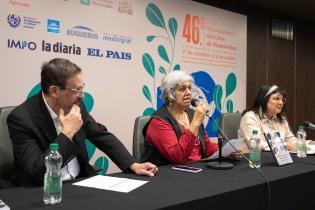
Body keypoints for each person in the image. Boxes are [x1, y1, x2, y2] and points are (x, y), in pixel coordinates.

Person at [7, 58, 158, 186]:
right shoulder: (22, 119)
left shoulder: (75, 105)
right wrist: (67, 133)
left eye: (82, 88)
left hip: (81, 182)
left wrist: (133, 164)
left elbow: (100, 134)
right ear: (54, 91)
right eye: (76, 90)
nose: (82, 96)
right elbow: (37, 172)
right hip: (45, 191)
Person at [141, 71, 241, 166]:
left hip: (197, 168)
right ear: (169, 93)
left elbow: (206, 146)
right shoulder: (158, 121)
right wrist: (195, 122)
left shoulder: (192, 114)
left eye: (189, 88)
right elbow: (177, 157)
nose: (188, 92)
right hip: (171, 175)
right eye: (182, 89)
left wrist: (225, 152)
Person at [238, 84, 297, 151]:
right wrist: (285, 146)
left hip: (276, 159)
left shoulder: (281, 119)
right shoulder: (250, 117)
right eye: (276, 99)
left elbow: (290, 139)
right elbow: (256, 144)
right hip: (252, 159)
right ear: (264, 100)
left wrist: (306, 143)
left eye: (282, 100)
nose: (281, 103)